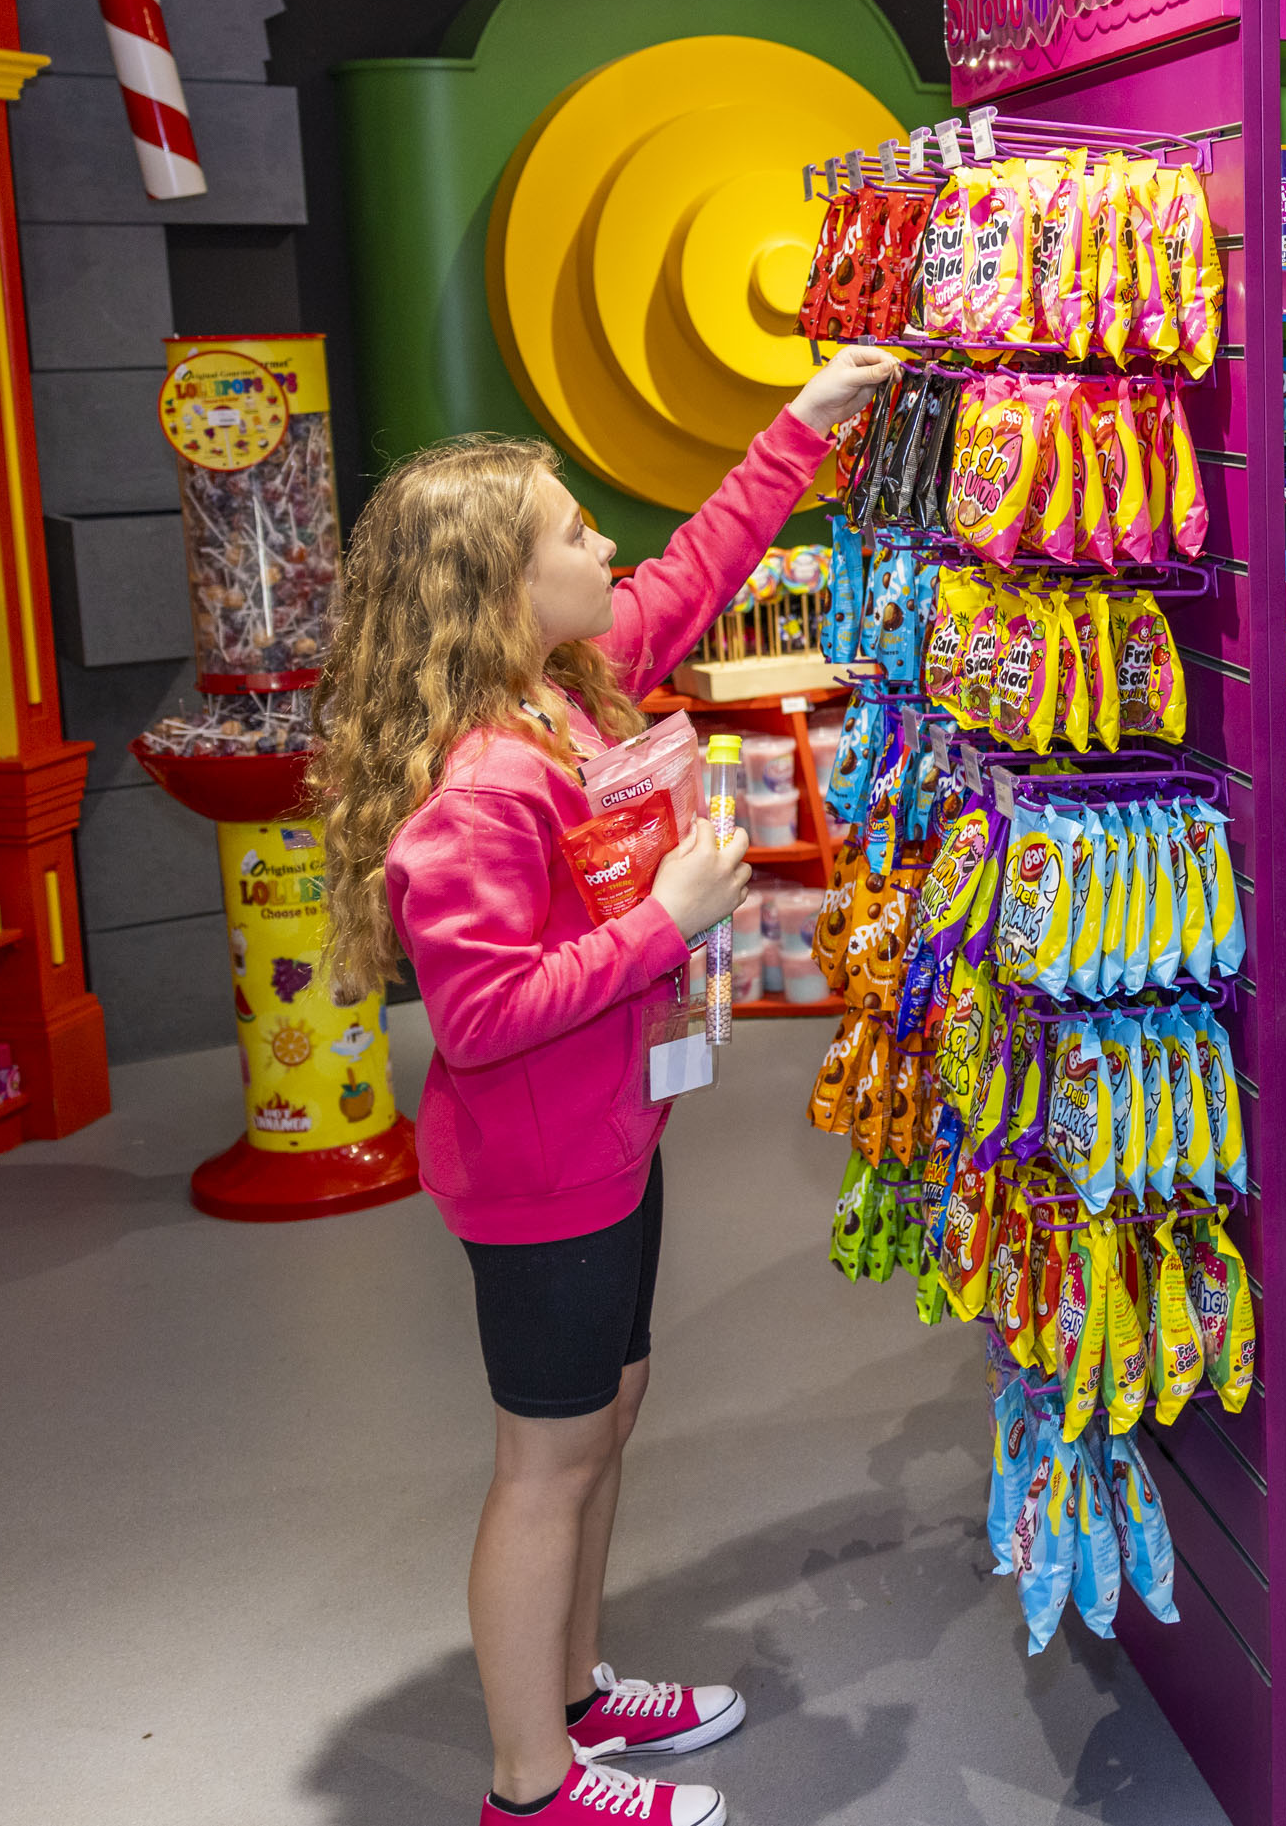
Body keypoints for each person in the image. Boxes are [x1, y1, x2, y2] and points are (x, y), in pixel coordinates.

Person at [313, 343, 902, 1826]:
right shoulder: (482, 785)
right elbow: (486, 1010)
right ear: (502, 591)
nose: (608, 549)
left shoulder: (564, 693)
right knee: (546, 1462)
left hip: (608, 1141)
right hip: (541, 1170)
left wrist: (802, 428)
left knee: (609, 1415)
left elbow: (692, 574)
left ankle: (576, 1693)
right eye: (575, 535)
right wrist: (669, 924)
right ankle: (534, 1780)